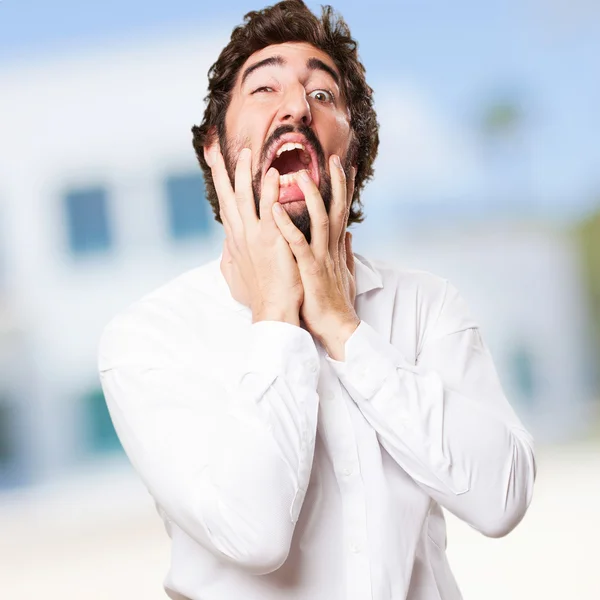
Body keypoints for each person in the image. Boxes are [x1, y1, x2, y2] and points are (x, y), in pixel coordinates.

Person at [98, 2, 536, 599]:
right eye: (264, 87)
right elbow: (253, 534)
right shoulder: (148, 338)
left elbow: (502, 499)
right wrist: (277, 317)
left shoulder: (426, 306)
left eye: (323, 94)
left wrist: (343, 328)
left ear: (353, 154)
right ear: (213, 148)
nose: (298, 106)